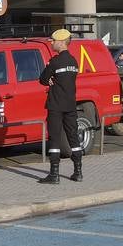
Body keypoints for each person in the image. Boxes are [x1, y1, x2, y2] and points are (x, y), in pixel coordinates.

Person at [37, 29, 81, 184]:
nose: (51, 43)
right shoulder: (74, 61)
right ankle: (78, 172)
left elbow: (42, 79)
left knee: (54, 138)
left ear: (62, 42)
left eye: (53, 40)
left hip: (56, 105)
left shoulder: (55, 61)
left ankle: (54, 175)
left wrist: (50, 80)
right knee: (73, 137)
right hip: (70, 105)